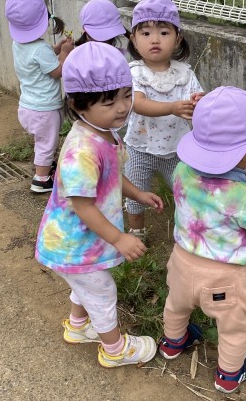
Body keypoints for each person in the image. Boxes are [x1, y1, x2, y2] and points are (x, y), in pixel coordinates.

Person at [35, 41, 164, 368]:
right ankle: (114, 349)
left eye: (126, 95)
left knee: (87, 282)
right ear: (78, 105)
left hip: (84, 241)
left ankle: (78, 326)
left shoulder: (105, 131)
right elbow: (83, 205)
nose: (122, 108)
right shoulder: (83, 151)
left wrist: (137, 194)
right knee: (102, 290)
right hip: (73, 243)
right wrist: (119, 238)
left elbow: (111, 176)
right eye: (109, 101)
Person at [158, 86, 246, 394]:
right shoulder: (241, 195)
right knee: (234, 327)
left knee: (176, 306)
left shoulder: (181, 171)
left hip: (182, 262)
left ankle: (172, 343)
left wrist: (239, 171)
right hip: (224, 278)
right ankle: (228, 375)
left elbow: (208, 180)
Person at [124, 0, 203, 238]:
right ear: (134, 39)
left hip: (177, 151)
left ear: (178, 39)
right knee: (136, 191)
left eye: (164, 32)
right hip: (140, 147)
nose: (155, 39)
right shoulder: (134, 72)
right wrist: (172, 107)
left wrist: (200, 102)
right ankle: (137, 230)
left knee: (186, 192)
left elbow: (197, 101)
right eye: (146, 33)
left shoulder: (185, 74)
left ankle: (189, 232)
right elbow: (138, 104)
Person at [5, 0, 74, 193]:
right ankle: (41, 179)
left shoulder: (18, 44)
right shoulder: (41, 48)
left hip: (28, 106)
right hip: (45, 110)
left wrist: (57, 49)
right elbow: (57, 71)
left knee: (42, 140)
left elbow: (41, 59)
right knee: (46, 144)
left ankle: (44, 166)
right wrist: (66, 53)